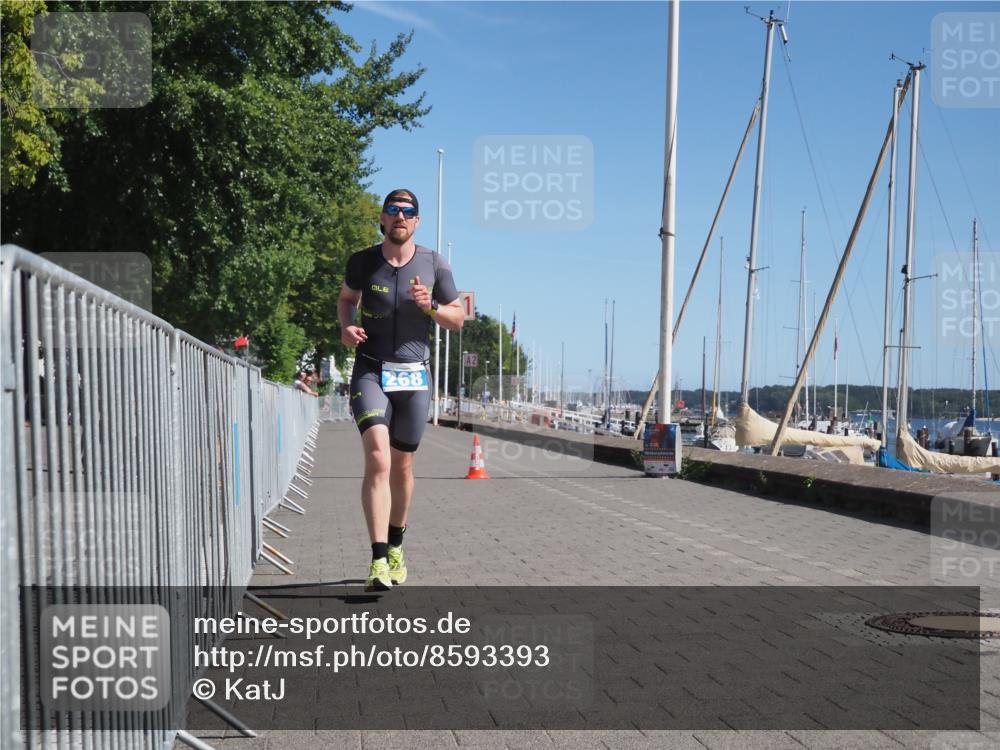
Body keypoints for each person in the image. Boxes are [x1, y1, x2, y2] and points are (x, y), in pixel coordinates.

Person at [337, 189, 464, 591]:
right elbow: (346, 299)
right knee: (378, 457)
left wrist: (432, 308)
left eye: (408, 212)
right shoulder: (363, 262)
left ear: (417, 222)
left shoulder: (434, 264)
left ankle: (396, 543)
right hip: (370, 371)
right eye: (393, 210)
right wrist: (346, 327)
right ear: (382, 217)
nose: (400, 217)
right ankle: (377, 560)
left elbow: (458, 319)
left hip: (413, 377)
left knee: (403, 466)